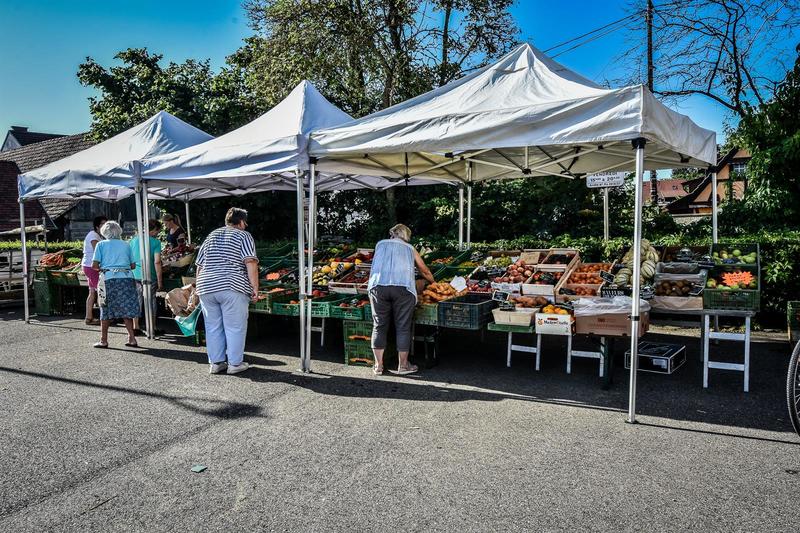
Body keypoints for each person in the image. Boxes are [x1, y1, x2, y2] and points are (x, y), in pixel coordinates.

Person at [195, 207, 259, 375]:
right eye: (245, 222)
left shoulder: (211, 235)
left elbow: (199, 265)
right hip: (231, 285)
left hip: (206, 286)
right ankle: (235, 364)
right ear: (241, 221)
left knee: (212, 326)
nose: (246, 225)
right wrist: (255, 288)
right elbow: (250, 262)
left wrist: (198, 287)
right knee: (235, 327)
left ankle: (216, 363)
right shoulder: (244, 236)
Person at [367, 223, 435, 376]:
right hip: (403, 288)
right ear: (406, 236)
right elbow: (424, 270)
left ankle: (378, 366)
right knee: (403, 327)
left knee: (379, 326)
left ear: (392, 234)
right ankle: (403, 366)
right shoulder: (409, 248)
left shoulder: (380, 244)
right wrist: (434, 283)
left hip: (378, 287)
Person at [92, 221, 139, 349]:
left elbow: (94, 265)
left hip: (108, 279)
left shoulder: (101, 244)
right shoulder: (126, 244)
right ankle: (132, 338)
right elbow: (133, 265)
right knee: (126, 308)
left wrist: (104, 268)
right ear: (119, 231)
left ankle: (103, 340)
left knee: (106, 308)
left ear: (104, 232)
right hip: (127, 279)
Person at [130, 219, 164, 335]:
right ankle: (152, 327)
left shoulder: (133, 241)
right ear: (153, 230)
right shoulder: (156, 242)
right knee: (151, 300)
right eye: (157, 231)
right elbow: (157, 262)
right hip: (150, 274)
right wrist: (160, 281)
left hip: (135, 274)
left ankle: (136, 326)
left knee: (137, 299)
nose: (157, 233)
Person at [81, 215, 107, 325]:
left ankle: (89, 317)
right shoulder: (93, 235)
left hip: (88, 266)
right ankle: (103, 318)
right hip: (92, 267)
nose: (105, 226)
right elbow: (97, 251)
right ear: (97, 226)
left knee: (92, 291)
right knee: (100, 291)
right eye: (102, 224)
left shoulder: (97, 235)